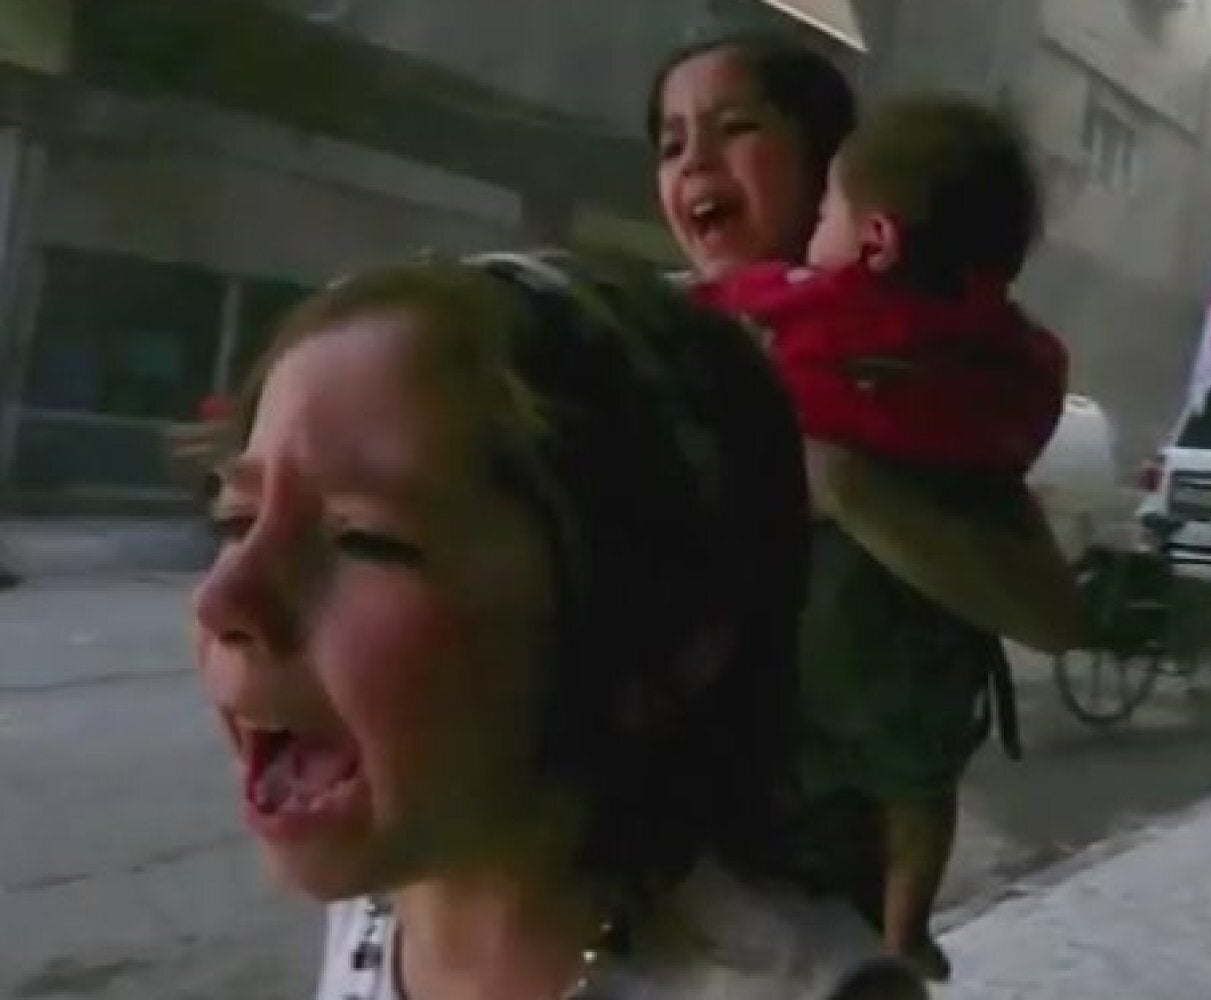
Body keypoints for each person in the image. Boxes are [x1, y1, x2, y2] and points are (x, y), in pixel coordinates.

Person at [194, 248, 925, 999]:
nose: (222, 599)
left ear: (658, 645)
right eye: (236, 519)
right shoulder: (386, 898)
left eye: (367, 540)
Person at [650, 35, 1084, 980]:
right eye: (671, 142)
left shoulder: (915, 379)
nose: (694, 163)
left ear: (829, 165)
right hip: (643, 870)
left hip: (806, 897)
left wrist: (845, 485)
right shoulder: (645, 336)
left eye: (734, 129)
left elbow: (1052, 613)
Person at [702, 94, 1068, 481]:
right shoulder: (1025, 372)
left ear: (876, 242)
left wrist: (718, 284)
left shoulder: (825, 312)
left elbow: (707, 321)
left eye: (824, 217)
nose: (813, 234)